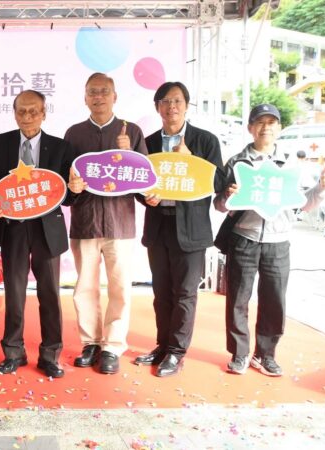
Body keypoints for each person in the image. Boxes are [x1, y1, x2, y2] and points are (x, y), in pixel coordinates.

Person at [214, 104, 325, 377]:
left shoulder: (291, 164)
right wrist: (228, 196)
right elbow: (219, 205)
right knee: (238, 299)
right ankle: (239, 354)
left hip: (279, 241)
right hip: (244, 238)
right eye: (260, 122)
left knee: (274, 299)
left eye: (271, 122)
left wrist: (321, 188)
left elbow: (304, 203)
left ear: (279, 128)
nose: (266, 127)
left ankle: (265, 355)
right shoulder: (237, 163)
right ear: (250, 128)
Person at [135, 81, 224, 377]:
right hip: (159, 225)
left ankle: (176, 352)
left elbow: (219, 182)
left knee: (185, 293)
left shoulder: (205, 140)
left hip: (191, 229)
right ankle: (162, 346)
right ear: (157, 107)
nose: (171, 106)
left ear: (186, 105)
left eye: (176, 101)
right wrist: (145, 197)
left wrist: (190, 161)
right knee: (161, 292)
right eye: (165, 101)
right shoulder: (147, 143)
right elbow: (138, 183)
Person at [0, 90, 75, 379]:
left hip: (47, 229)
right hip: (13, 228)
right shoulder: (0, 143)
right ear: (14, 114)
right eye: (21, 111)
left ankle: (50, 354)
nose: (27, 116)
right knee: (14, 292)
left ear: (44, 113)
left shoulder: (60, 147)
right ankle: (13, 352)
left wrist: (74, 189)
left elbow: (68, 196)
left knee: (49, 293)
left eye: (33, 111)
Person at [63, 73, 148, 375]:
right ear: (85, 97)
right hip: (85, 222)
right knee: (84, 286)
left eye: (104, 91)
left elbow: (144, 180)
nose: (98, 97)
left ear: (115, 96)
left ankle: (112, 346)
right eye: (92, 92)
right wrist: (72, 188)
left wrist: (130, 154)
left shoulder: (131, 132)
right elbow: (66, 185)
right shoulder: (74, 134)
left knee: (119, 287)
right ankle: (90, 343)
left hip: (120, 223)